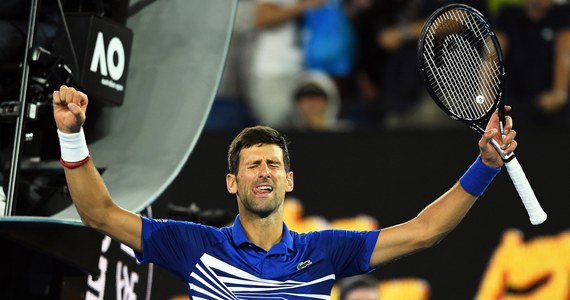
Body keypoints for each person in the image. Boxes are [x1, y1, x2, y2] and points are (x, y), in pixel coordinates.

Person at [52, 85, 518, 299]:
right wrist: (72, 137)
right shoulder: (195, 246)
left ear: (289, 180)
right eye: (252, 164)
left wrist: (486, 166)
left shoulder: (326, 250)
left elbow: (424, 232)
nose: (264, 172)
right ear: (233, 182)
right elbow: (99, 213)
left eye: (273, 164)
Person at [248, 0, 327, 128]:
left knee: (307, 126)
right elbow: (261, 18)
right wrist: (304, 6)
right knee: (275, 126)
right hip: (274, 70)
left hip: (305, 70)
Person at [494, 0, 570, 128]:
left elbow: (564, 53)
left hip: (553, 110)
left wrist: (558, 93)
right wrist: (487, 95)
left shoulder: (564, 13)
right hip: (515, 103)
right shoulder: (507, 14)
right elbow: (492, 57)